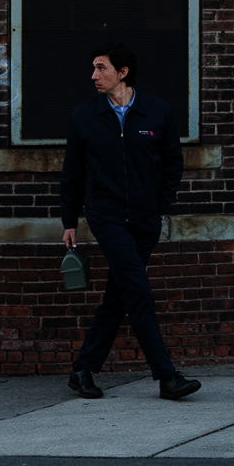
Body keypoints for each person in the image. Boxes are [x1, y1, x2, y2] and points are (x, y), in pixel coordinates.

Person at [60, 43, 201, 401]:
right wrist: (69, 220)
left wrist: (158, 206)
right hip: (106, 218)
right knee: (137, 292)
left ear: (122, 73)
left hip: (145, 220)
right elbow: (73, 173)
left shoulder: (157, 111)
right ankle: (167, 376)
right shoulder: (84, 116)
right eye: (94, 67)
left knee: (119, 296)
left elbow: (172, 163)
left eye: (101, 68)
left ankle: (82, 371)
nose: (94, 75)